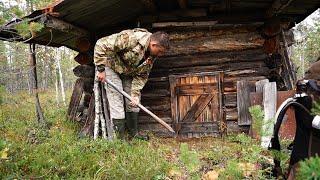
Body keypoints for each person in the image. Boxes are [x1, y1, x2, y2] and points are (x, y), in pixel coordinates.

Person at [94, 28, 169, 140]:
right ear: (153, 44)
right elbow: (100, 44)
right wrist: (100, 69)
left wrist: (135, 93)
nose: (161, 54)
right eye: (160, 51)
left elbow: (142, 75)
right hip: (110, 67)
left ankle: (133, 134)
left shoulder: (152, 56)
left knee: (134, 103)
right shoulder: (131, 38)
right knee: (117, 101)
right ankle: (120, 139)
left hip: (128, 72)